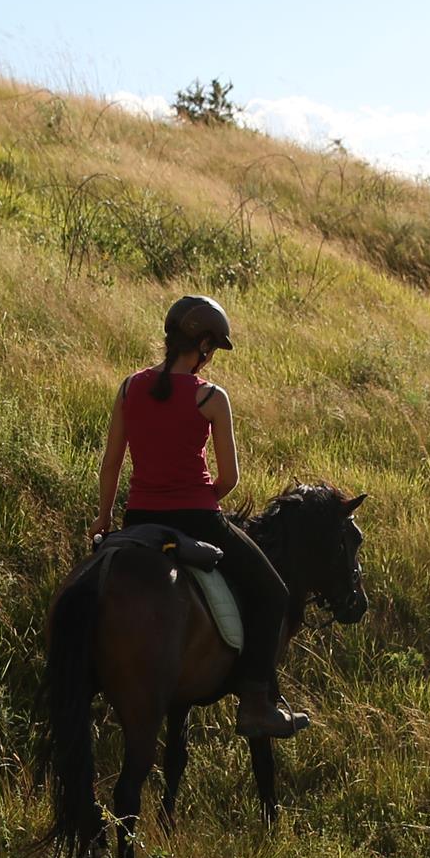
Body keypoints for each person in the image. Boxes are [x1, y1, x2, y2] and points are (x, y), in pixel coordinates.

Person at [89, 294, 310, 738]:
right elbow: (229, 477)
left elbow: (111, 463)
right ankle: (255, 705)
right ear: (204, 344)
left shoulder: (130, 387)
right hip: (198, 518)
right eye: (212, 348)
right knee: (273, 593)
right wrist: (201, 497)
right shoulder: (211, 397)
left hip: (139, 520)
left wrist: (103, 519)